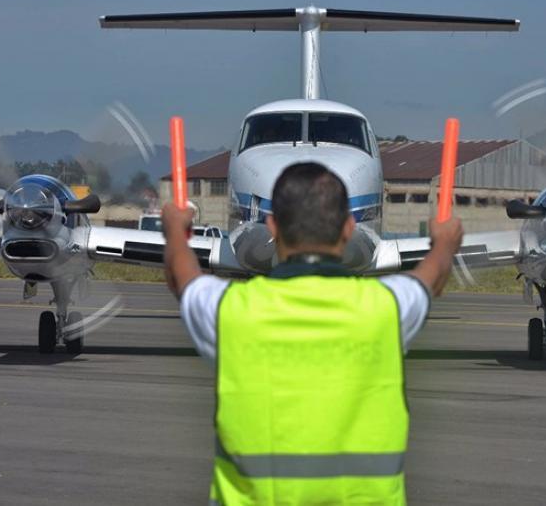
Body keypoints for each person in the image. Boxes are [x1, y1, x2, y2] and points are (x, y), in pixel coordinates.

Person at [162, 162, 463, 505]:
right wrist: (443, 242)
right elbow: (432, 276)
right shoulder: (388, 308)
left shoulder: (228, 310)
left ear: (272, 225)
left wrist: (174, 231)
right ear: (349, 228)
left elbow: (181, 277)